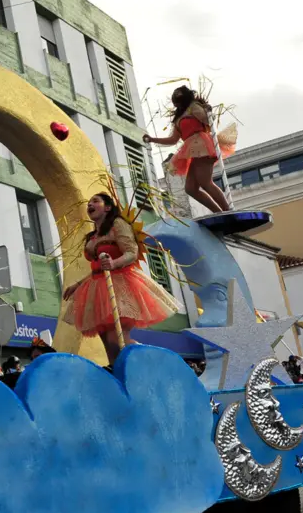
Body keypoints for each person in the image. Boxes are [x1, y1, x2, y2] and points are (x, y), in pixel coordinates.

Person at [62, 193, 179, 365]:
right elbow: (98, 268)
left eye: (95, 201)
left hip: (120, 284)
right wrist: (78, 284)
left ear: (108, 207)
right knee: (109, 346)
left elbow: (131, 252)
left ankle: (154, 362)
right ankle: (119, 377)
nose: (90, 205)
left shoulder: (118, 224)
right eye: (88, 203)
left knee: (117, 340)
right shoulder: (93, 236)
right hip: (96, 289)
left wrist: (114, 262)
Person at [143, 85, 236, 214]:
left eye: (178, 95)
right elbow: (173, 140)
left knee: (205, 182)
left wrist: (207, 111)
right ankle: (218, 212)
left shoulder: (193, 106)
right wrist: (153, 139)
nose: (176, 98)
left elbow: (207, 120)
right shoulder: (178, 119)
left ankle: (227, 210)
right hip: (193, 149)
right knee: (191, 189)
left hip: (202, 145)